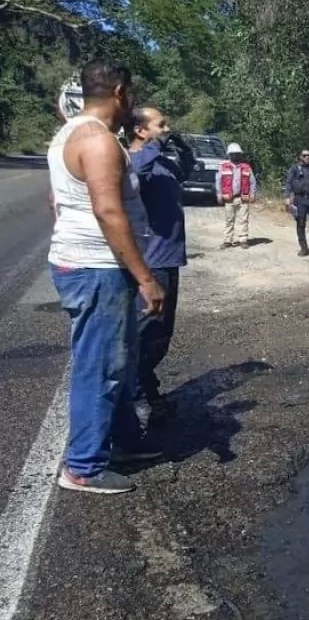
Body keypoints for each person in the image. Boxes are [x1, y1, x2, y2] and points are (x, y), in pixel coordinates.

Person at [48, 61, 165, 495]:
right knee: (100, 366)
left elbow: (56, 203)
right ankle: (82, 467)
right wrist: (145, 277)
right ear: (119, 91)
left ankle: (123, 443)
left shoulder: (69, 134)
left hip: (90, 264)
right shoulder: (97, 142)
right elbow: (108, 211)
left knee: (117, 359)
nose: (131, 101)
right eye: (130, 93)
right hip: (98, 269)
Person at [128, 107, 187, 426]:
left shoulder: (162, 162)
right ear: (140, 130)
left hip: (170, 258)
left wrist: (181, 147)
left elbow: (185, 172)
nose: (167, 128)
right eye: (160, 124)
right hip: (151, 262)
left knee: (161, 337)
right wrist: (157, 144)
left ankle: (148, 390)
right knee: (146, 335)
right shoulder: (134, 158)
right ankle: (136, 398)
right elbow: (136, 175)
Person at [216, 142, 257, 249]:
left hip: (243, 197)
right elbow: (218, 181)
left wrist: (252, 194)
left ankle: (243, 239)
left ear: (240, 154)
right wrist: (219, 194)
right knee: (229, 219)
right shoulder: (223, 167)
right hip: (229, 198)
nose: (235, 156)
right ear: (229, 155)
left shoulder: (246, 167)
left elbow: (252, 182)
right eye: (233, 154)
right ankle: (227, 240)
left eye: (237, 153)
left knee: (244, 219)